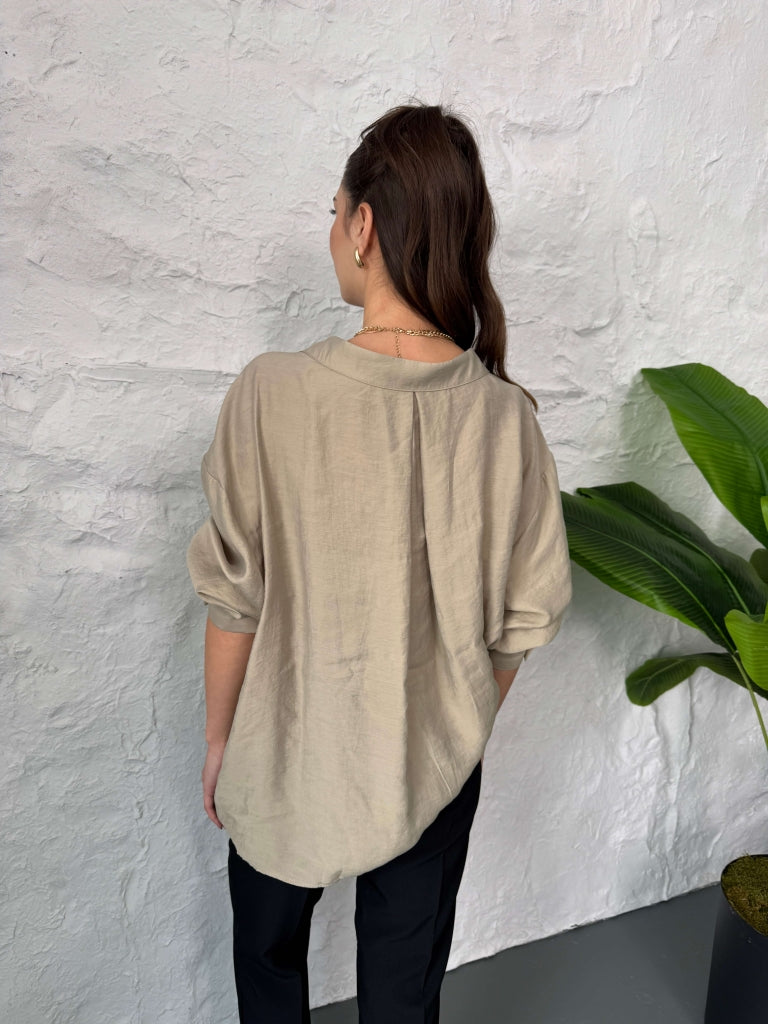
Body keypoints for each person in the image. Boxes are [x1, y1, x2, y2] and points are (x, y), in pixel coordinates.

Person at [186, 101, 572, 1024]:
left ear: (363, 226)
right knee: (405, 996)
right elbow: (523, 622)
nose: (333, 231)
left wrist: (219, 741)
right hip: (433, 762)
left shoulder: (271, 393)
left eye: (334, 212)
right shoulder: (506, 418)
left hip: (284, 747)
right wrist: (453, 719)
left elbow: (235, 598)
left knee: (268, 969)